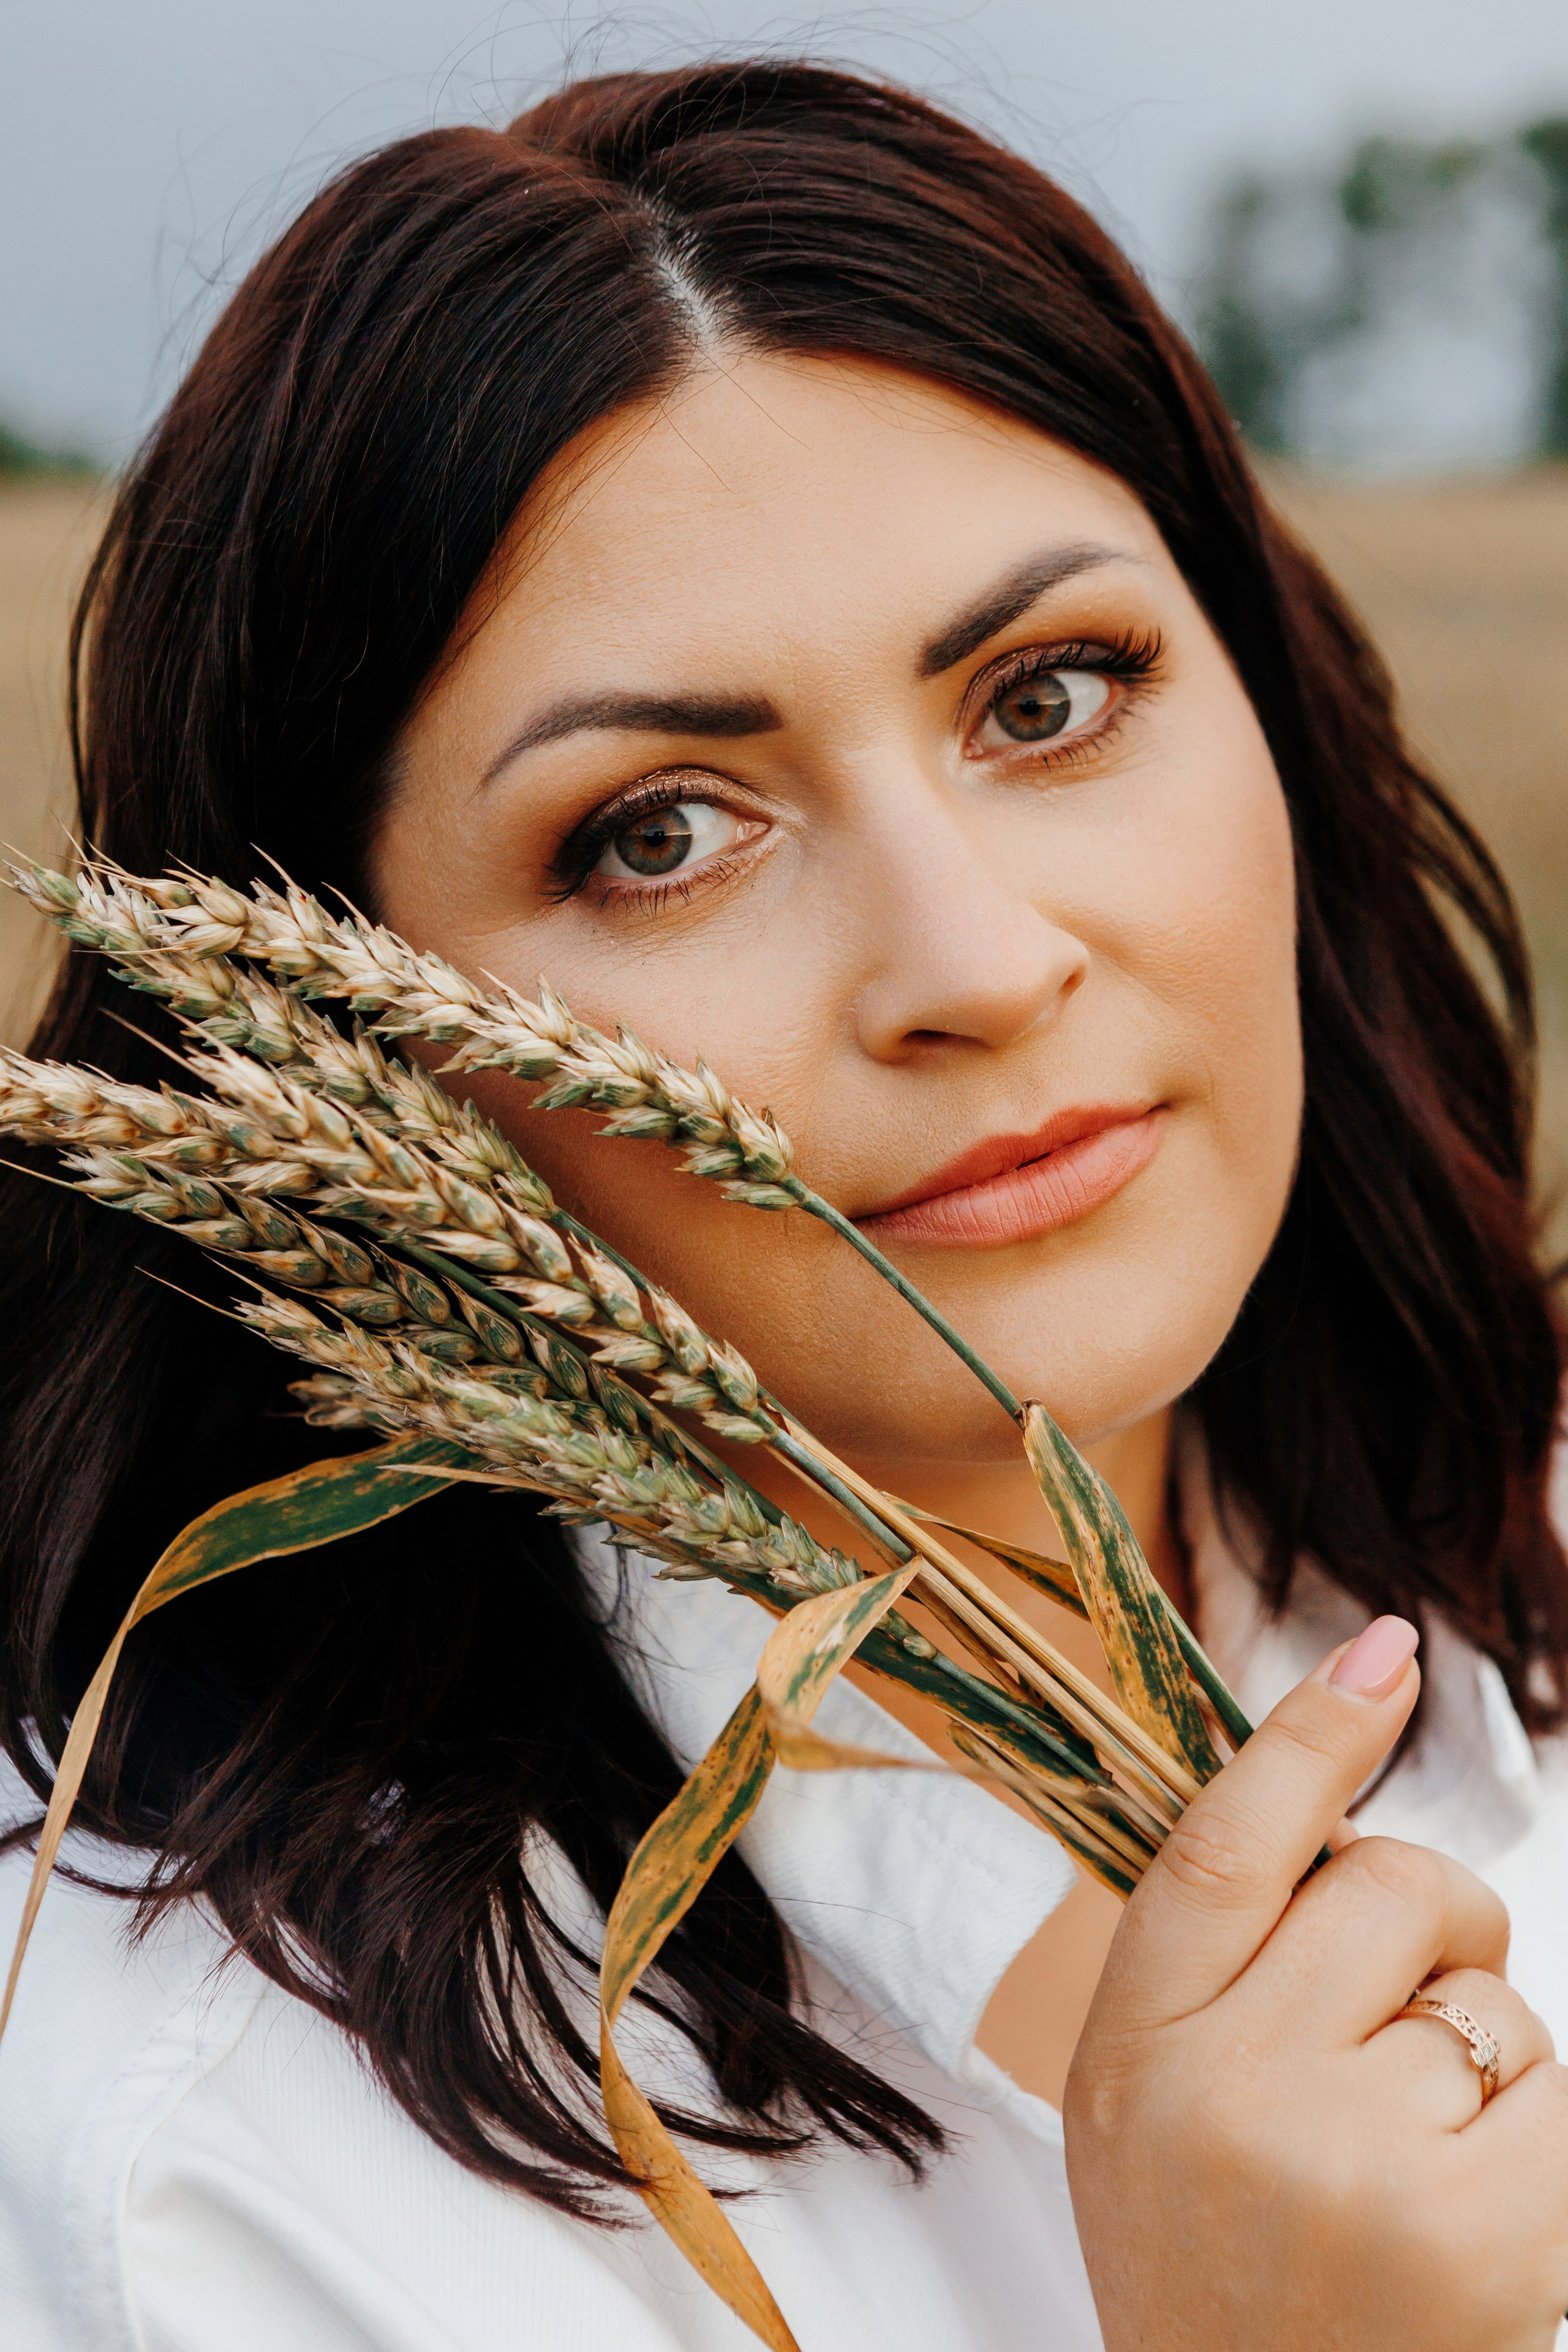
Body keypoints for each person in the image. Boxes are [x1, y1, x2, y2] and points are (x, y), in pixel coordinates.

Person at [2, 59, 1567, 2351]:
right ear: (364, 1044)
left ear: (1277, 716)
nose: (975, 963)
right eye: (657, 833)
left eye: (1053, 694)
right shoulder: (211, 2180)